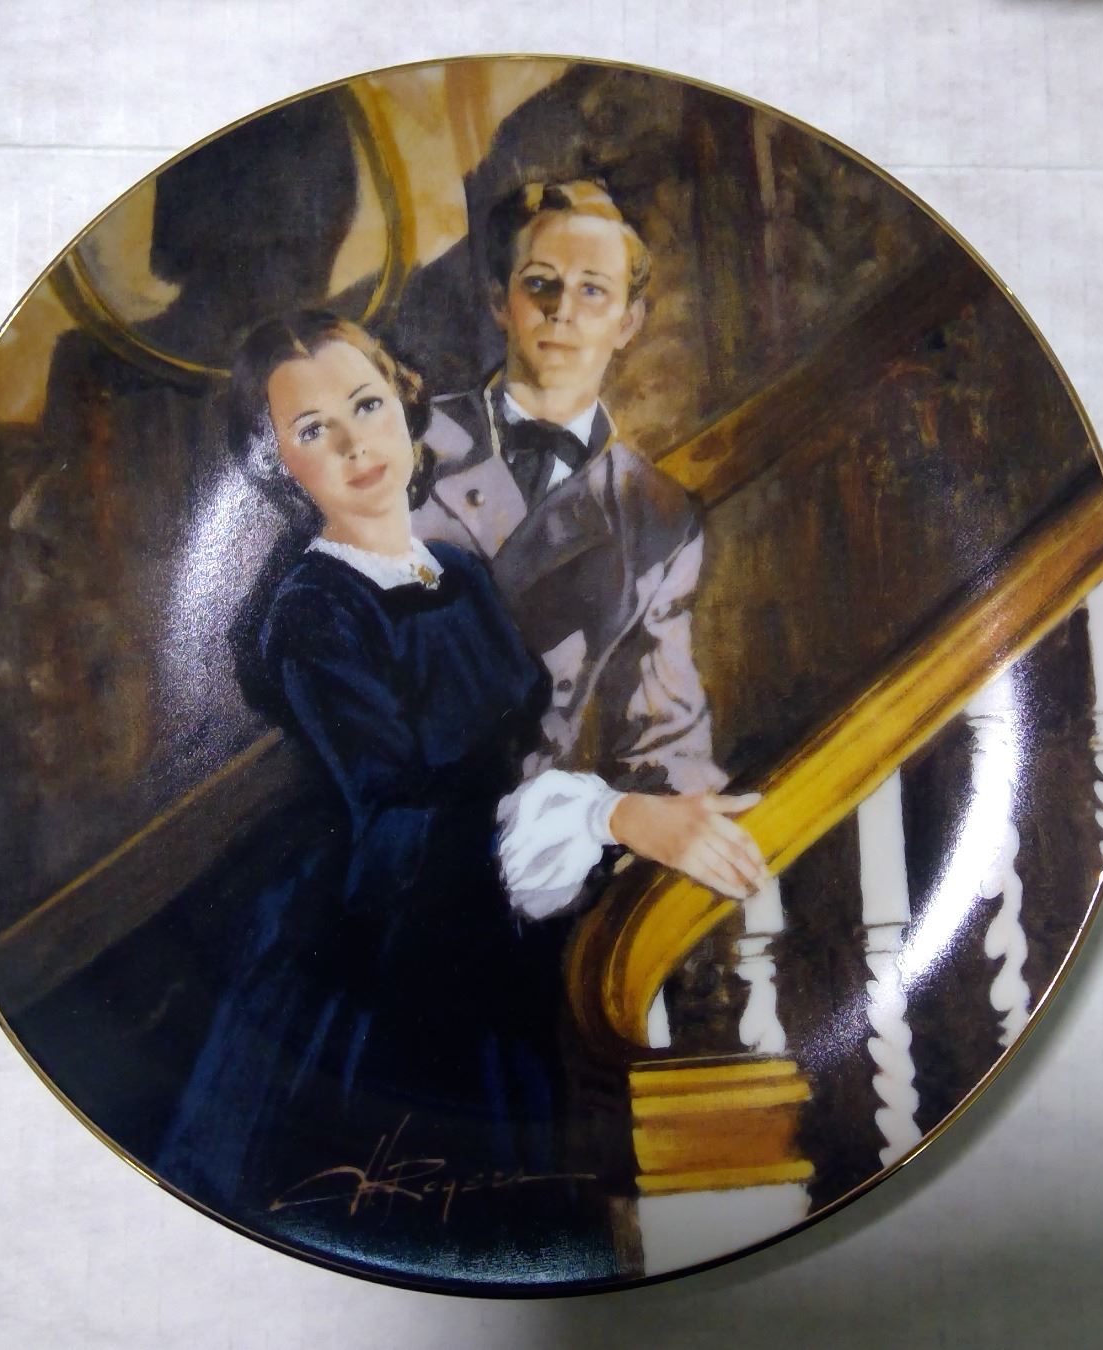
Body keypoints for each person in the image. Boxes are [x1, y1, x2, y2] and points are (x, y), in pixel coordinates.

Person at [153, 312, 763, 1278]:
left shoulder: (464, 574)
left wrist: (598, 819)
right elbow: (400, 820)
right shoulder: (314, 613)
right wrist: (605, 814)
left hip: (493, 919)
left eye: (366, 406)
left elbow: (512, 757)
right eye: (313, 430)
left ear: (405, 405)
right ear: (278, 465)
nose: (355, 444)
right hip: (391, 935)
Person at [413, 182, 745, 893]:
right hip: (396, 826)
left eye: (593, 290)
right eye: (540, 283)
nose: (562, 310)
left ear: (629, 321)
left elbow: (666, 734)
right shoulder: (404, 446)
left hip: (532, 849)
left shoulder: (657, 515)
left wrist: (689, 820)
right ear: (499, 301)